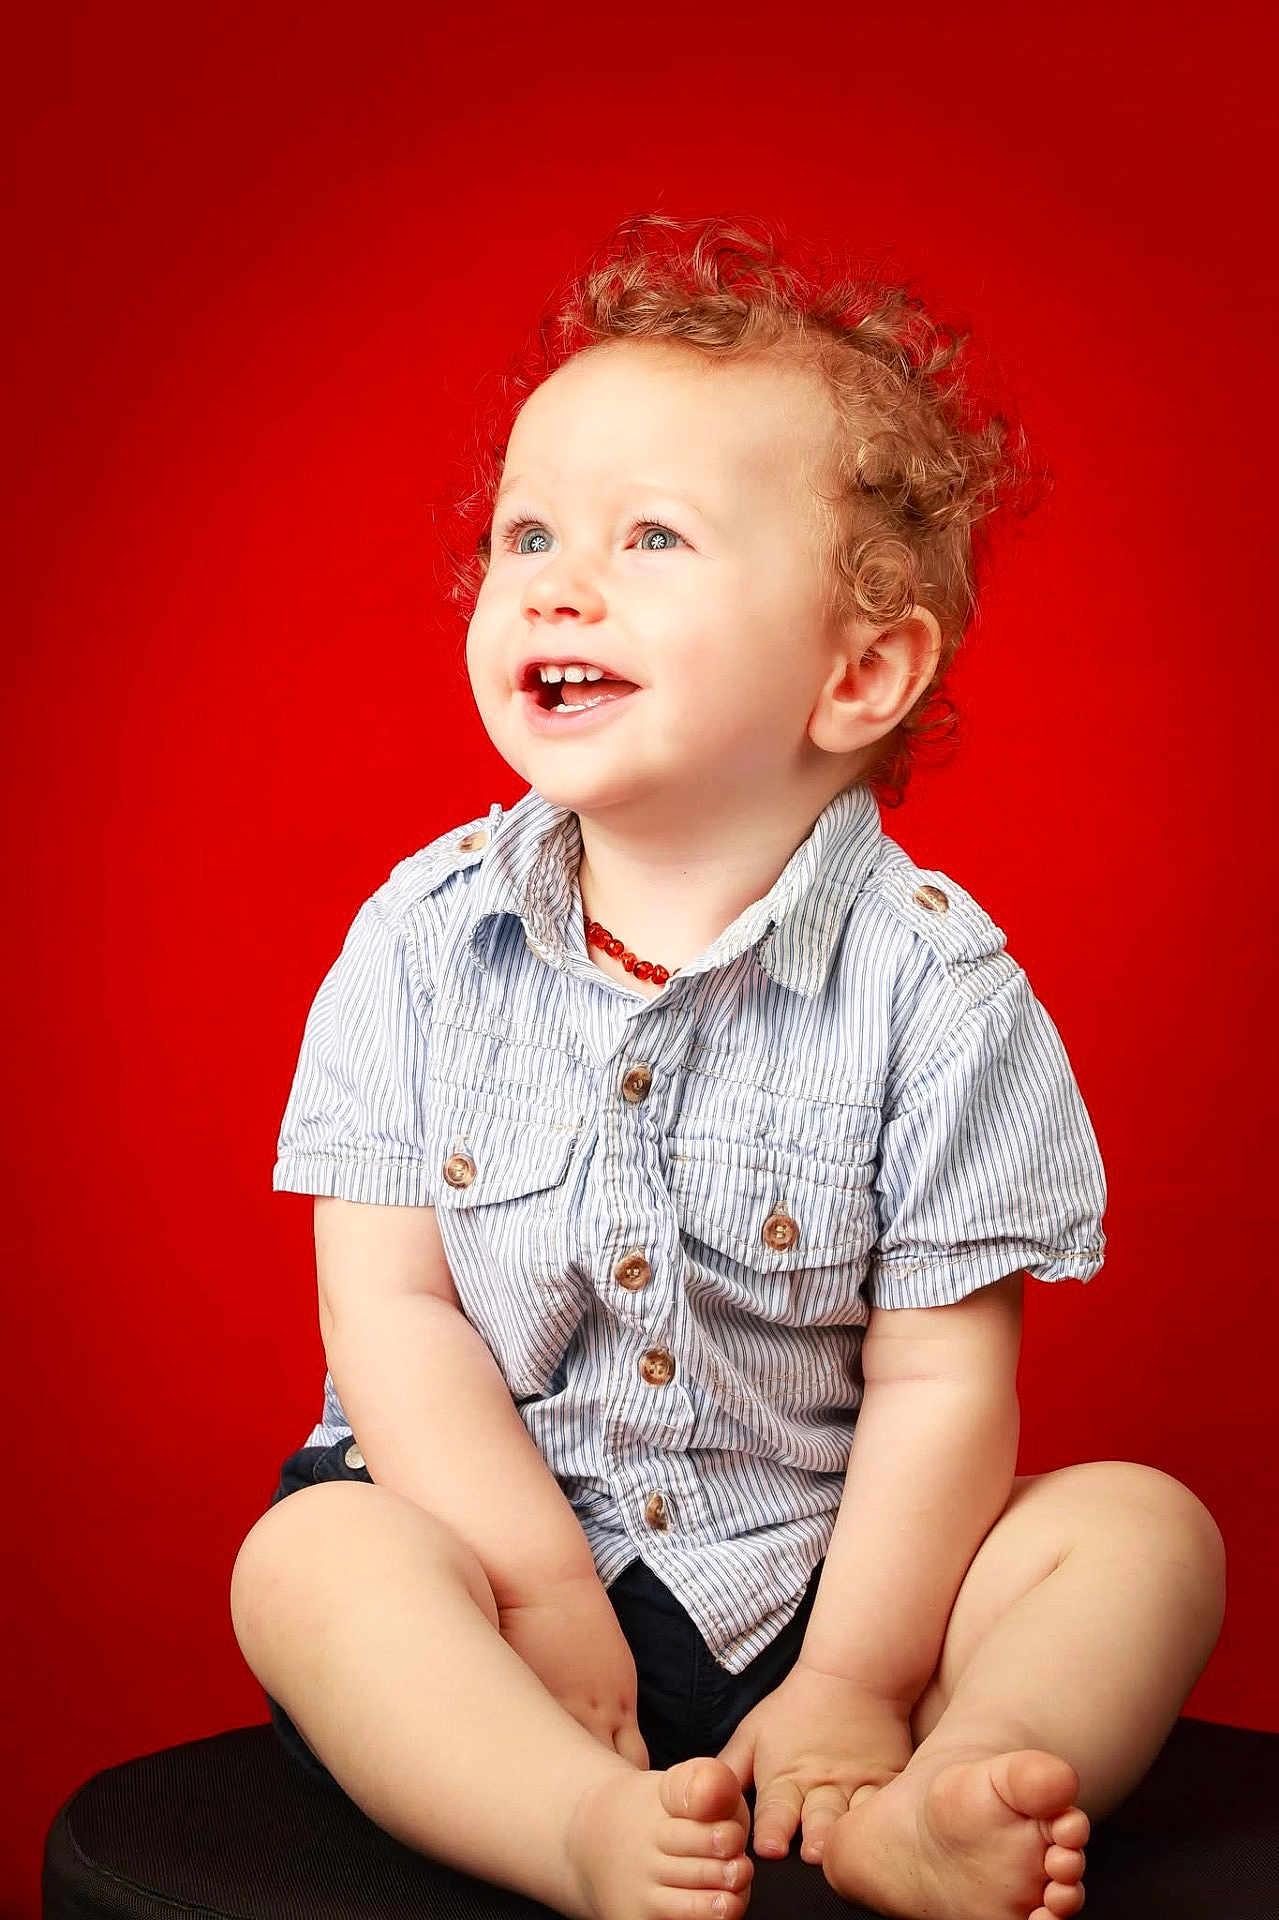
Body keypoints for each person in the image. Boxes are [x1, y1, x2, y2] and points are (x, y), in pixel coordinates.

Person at [229, 213, 1226, 1920]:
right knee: (310, 1560)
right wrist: (538, 1586)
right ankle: (569, 1824)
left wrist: (852, 1676)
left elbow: (936, 1392)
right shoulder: (416, 943)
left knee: (1143, 1534)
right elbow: (386, 1315)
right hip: (496, 1572)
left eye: (653, 538)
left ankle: (935, 1793)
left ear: (860, 671)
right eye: (525, 531)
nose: (551, 580)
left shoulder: (941, 994)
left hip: (833, 1582)